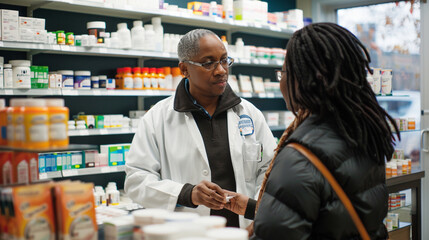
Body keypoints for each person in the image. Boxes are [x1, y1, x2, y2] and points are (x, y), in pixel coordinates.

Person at [224, 23, 399, 239]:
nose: (282, 82)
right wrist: (257, 208)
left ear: (302, 79)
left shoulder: (300, 156)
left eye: (283, 73)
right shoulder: (363, 134)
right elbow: (333, 214)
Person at [124, 29, 277, 228]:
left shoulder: (249, 113)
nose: (221, 70)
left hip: (242, 231)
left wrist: (255, 210)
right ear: (184, 69)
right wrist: (188, 194)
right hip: (187, 231)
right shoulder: (157, 118)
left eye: (224, 60)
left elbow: (270, 170)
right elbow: (137, 180)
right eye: (208, 63)